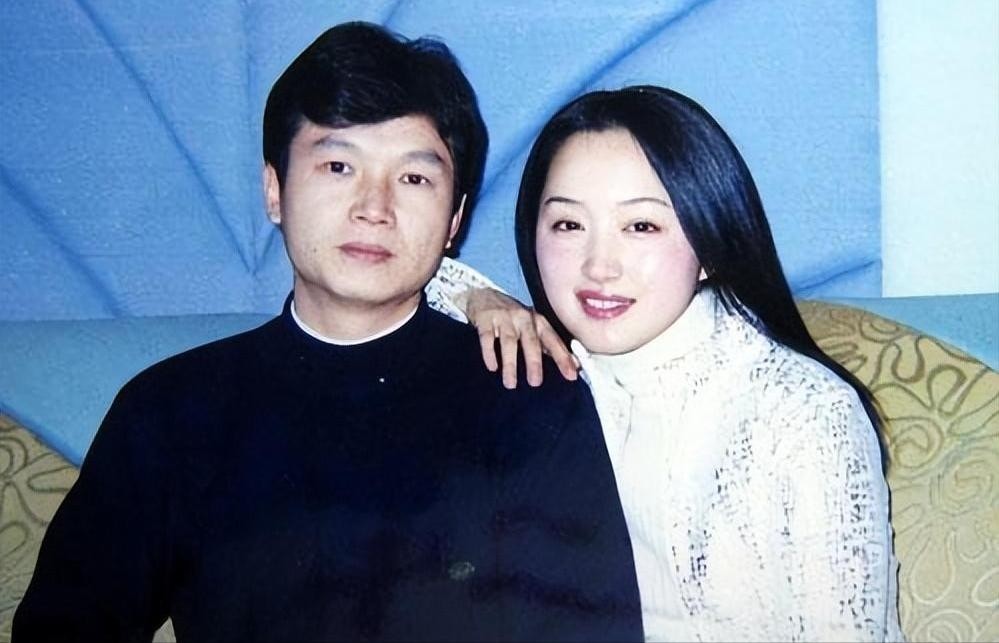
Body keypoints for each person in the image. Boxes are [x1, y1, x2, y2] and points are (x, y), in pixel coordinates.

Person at [12, 23, 643, 642]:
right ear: (275, 189)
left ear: (454, 219)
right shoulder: (169, 411)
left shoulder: (528, 392)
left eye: (414, 178)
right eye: (339, 166)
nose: (374, 208)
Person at [465, 85, 904, 641]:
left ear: (711, 244)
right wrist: (477, 297)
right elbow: (401, 279)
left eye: (641, 226)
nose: (600, 266)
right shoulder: (556, 370)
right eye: (569, 225)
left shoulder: (804, 413)